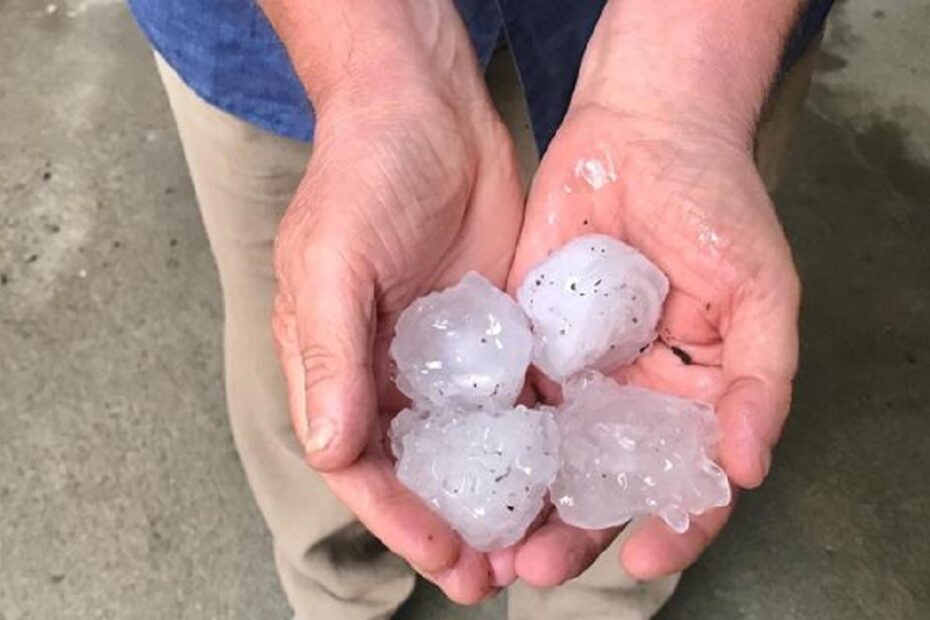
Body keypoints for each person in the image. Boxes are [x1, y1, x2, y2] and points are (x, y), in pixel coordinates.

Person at [127, 1, 834, 617]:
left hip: (707, 41)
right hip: (283, 42)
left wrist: (691, 80)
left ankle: (592, 611)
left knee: (623, 532)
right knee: (323, 361)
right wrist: (371, 78)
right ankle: (338, 591)